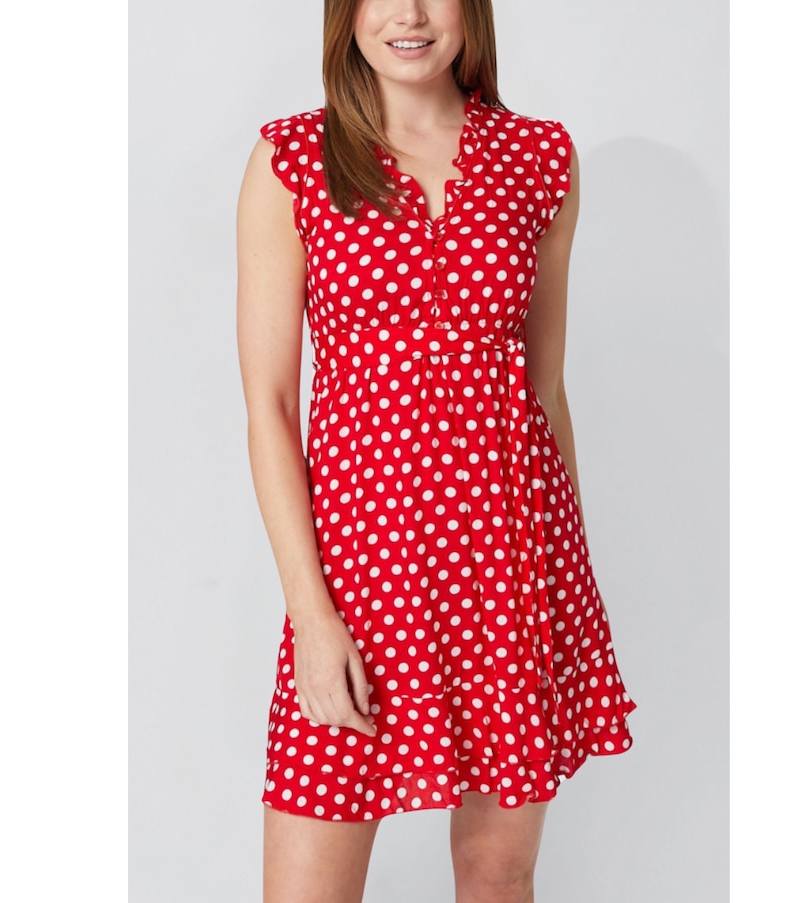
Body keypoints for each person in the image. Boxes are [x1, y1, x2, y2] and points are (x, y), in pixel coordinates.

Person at [236, 1, 636, 900]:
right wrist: (310, 613)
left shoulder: (540, 157)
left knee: (497, 871)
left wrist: (563, 584)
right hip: (360, 577)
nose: (409, 15)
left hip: (510, 568)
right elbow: (270, 407)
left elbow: (543, 390)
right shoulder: (293, 159)